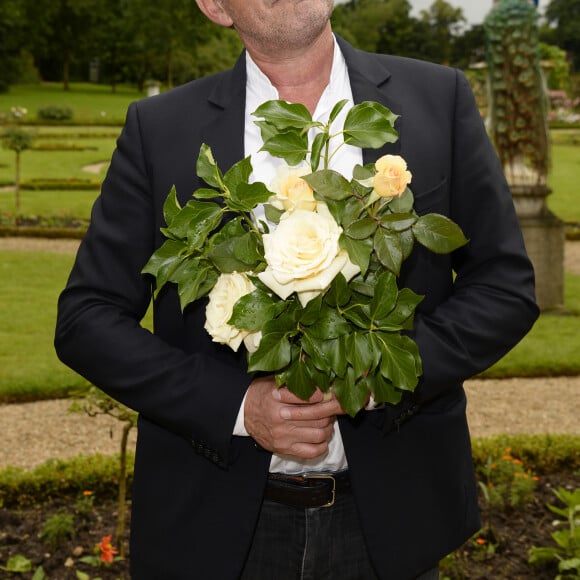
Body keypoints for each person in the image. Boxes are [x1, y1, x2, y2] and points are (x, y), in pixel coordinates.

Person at [54, 1, 539, 578]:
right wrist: (237, 407)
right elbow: (86, 318)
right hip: (216, 529)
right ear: (213, 6)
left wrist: (387, 373)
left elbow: (505, 286)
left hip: (392, 520)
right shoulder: (160, 128)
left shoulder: (440, 98)